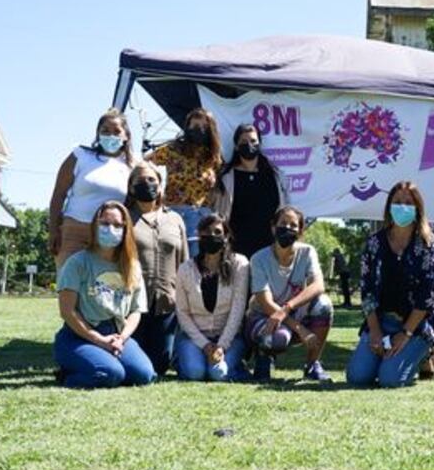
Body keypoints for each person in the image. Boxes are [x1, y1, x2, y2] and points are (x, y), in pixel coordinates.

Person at [346, 182, 434, 388]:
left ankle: (422, 355)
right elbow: (367, 291)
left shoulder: (429, 245)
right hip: (381, 322)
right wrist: (374, 331)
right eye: (397, 202)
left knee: (390, 380)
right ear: (389, 206)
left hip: (415, 325)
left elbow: (426, 297)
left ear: (418, 208)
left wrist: (405, 334)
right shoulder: (374, 243)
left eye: (409, 202)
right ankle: (389, 359)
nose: (403, 206)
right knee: (357, 378)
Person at [53, 200, 156, 388]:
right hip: (79, 336)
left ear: (126, 230)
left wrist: (121, 338)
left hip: (116, 335)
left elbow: (136, 310)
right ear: (95, 226)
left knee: (144, 375)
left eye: (117, 225)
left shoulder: (132, 266)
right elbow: (67, 311)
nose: (111, 229)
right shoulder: (78, 263)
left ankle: (100, 363)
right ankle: (67, 374)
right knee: (110, 374)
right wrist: (99, 340)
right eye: (105, 223)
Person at [246, 206, 334, 381]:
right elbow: (265, 301)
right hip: (265, 317)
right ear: (273, 227)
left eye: (293, 225)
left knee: (324, 304)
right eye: (283, 223)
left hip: (290, 313)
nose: (287, 228)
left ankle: (312, 364)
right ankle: (264, 358)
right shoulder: (259, 259)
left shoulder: (308, 252)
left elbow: (318, 285)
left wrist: (286, 309)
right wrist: (300, 329)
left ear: (301, 231)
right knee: (277, 339)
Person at [49, 109, 134, 268]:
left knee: (104, 284)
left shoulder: (131, 166)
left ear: (126, 136)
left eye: (116, 132)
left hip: (110, 234)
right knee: (69, 282)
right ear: (98, 134)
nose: (111, 135)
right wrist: (53, 230)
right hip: (74, 231)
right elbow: (58, 194)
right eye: (105, 131)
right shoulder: (80, 155)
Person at [126, 162, 188, 375]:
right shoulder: (124, 218)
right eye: (140, 180)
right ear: (131, 187)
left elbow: (184, 261)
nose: (147, 184)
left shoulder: (174, 219)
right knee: (135, 364)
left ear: (160, 186)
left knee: (159, 365)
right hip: (132, 304)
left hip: (166, 303)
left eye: (152, 179)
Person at [174, 214, 251, 382]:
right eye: (207, 232)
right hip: (195, 336)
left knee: (218, 373)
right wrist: (205, 345)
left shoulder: (240, 264)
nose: (212, 236)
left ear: (226, 236)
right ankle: (183, 359)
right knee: (196, 373)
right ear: (200, 236)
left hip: (228, 337)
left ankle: (237, 364)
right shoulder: (185, 269)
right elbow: (182, 313)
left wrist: (221, 345)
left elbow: (238, 309)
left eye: (218, 232)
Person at [148, 108, 224, 257]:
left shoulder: (213, 157)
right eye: (194, 126)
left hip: (202, 216)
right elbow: (145, 162)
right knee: (172, 257)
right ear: (187, 127)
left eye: (203, 128)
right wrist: (156, 189)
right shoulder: (173, 149)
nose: (198, 131)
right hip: (176, 212)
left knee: (197, 263)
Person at [210, 123, 290, 259]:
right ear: (236, 146)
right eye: (244, 142)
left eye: (253, 141)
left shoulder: (275, 176)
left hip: (268, 251)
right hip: (235, 251)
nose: (249, 145)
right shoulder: (226, 177)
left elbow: (283, 210)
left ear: (260, 144)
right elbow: (219, 213)